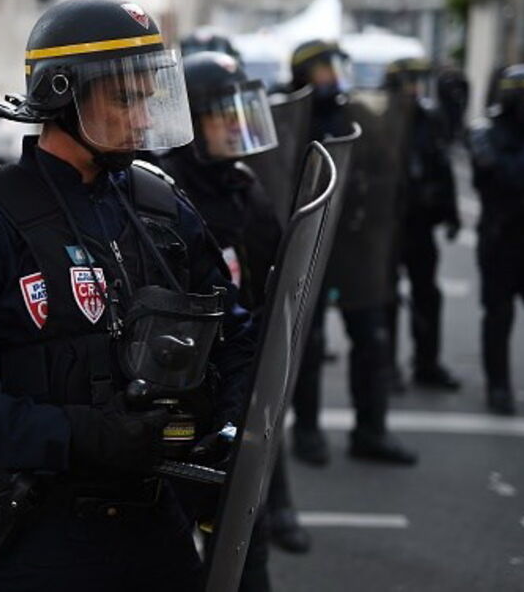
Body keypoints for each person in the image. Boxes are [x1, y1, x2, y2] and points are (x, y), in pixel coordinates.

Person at [0, 0, 256, 591]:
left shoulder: (160, 204)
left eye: (147, 96)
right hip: (47, 532)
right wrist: (78, 434)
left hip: (157, 519)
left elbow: (237, 332)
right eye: (124, 98)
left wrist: (226, 428)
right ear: (62, 95)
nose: (142, 116)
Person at [158, 51, 311, 571]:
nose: (236, 126)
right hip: (180, 393)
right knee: (173, 549)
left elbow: (274, 270)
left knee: (247, 546)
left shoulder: (243, 185)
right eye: (223, 114)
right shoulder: (159, 193)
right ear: (190, 123)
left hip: (240, 375)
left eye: (241, 111)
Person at [288, 40, 418, 466]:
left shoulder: (356, 115)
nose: (333, 75)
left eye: (335, 67)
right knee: (308, 344)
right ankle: (307, 432)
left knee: (372, 341)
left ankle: (371, 430)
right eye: (325, 68)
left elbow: (384, 169)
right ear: (306, 73)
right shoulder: (291, 117)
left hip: (359, 249)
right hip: (311, 244)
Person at [470, 64, 524, 415]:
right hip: (501, 240)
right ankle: (499, 386)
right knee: (499, 315)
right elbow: (509, 179)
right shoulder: (485, 133)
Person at [384, 58, 462, 391]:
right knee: (385, 298)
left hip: (420, 222)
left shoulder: (430, 119)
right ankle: (385, 368)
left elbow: (443, 167)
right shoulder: (380, 120)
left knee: (427, 294)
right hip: (388, 224)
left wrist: (450, 210)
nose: (415, 89)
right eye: (408, 82)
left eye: (419, 82)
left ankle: (427, 363)